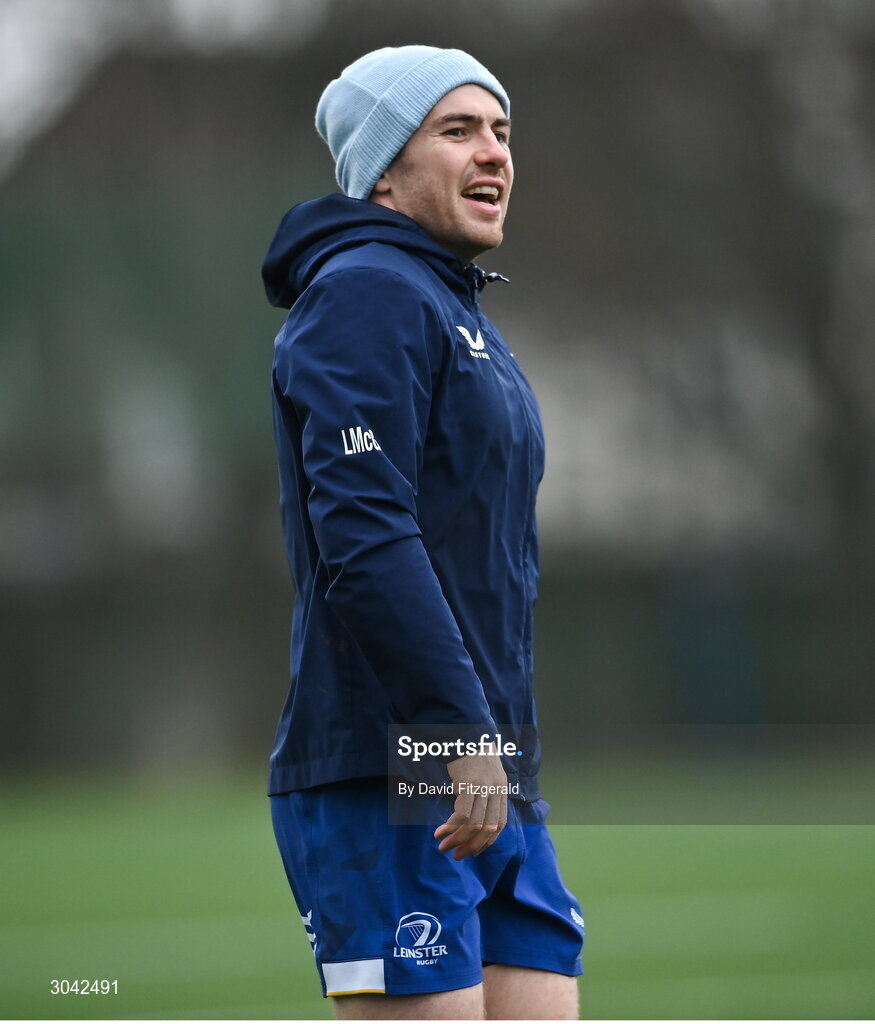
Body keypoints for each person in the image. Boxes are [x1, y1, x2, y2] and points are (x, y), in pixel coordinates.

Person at [262, 45, 584, 1020]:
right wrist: (452, 730)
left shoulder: (453, 306)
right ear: (383, 171)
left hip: (490, 757)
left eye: (500, 131)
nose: (492, 153)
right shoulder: (365, 290)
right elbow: (362, 533)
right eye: (456, 131)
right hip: (391, 756)